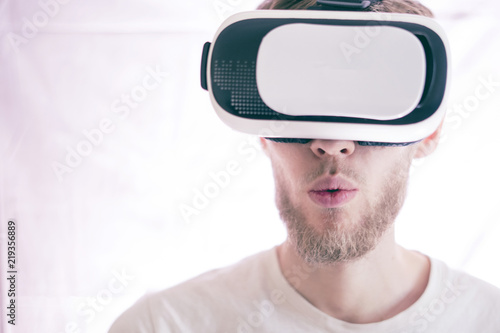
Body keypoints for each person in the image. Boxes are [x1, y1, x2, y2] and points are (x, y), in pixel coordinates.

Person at [109, 0, 500, 332]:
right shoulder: (164, 325)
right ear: (263, 131)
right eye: (300, 105)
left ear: (428, 132)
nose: (332, 144)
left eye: (370, 101)